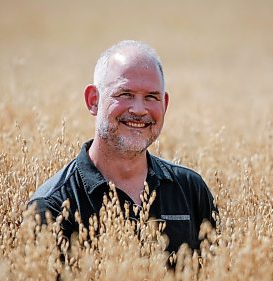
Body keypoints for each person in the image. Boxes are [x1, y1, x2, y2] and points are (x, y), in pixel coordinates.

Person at [29, 40, 217, 253]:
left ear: (164, 104)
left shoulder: (190, 189)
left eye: (151, 97)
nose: (139, 110)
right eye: (125, 94)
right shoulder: (52, 205)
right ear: (93, 100)